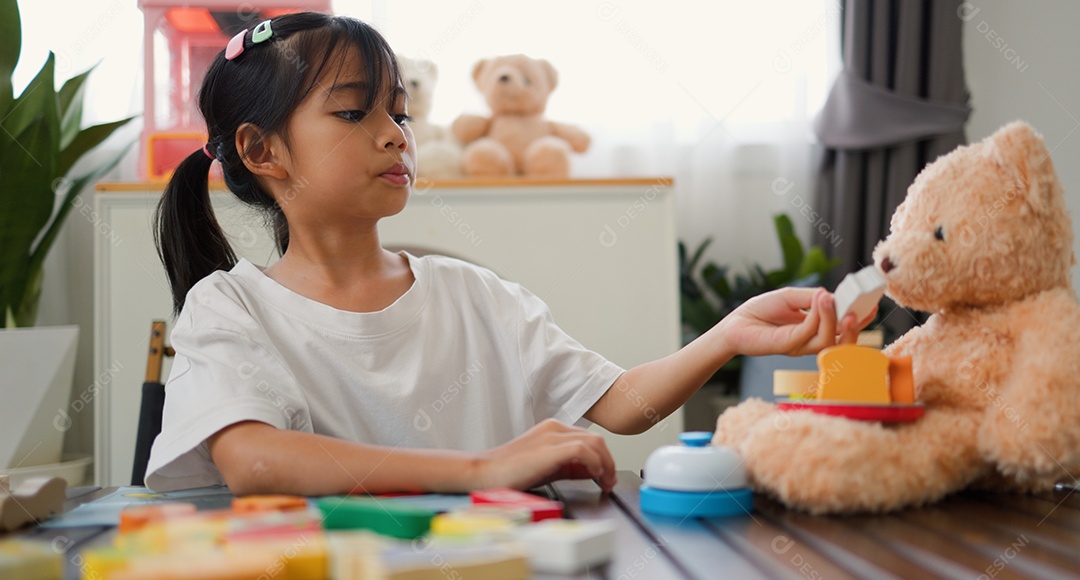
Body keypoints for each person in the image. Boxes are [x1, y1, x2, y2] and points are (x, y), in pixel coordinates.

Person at [145, 12, 866, 495]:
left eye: (399, 111)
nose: (396, 133)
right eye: (353, 111)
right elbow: (255, 460)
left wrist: (729, 333)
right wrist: (481, 468)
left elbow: (619, 405)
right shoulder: (230, 307)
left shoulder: (471, 294)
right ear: (259, 148)